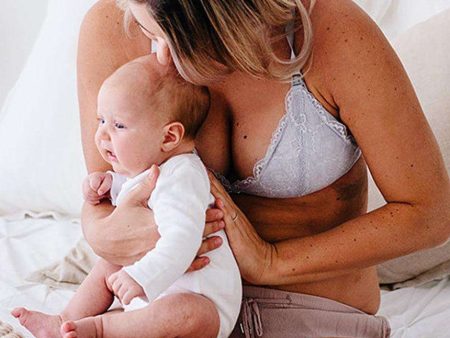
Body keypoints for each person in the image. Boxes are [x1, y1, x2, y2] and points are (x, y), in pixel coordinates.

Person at [74, 0, 450, 337]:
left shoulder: (331, 31)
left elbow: (430, 214)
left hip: (312, 313)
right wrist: (102, 233)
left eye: (182, 38)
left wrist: (271, 262)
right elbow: (104, 198)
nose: (164, 59)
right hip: (162, 313)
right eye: (149, 34)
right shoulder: (111, 24)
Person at [12, 57, 242, 338]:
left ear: (169, 137)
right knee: (112, 259)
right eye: (101, 120)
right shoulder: (147, 170)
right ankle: (66, 319)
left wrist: (141, 276)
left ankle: (98, 330)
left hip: (203, 304)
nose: (102, 134)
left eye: (118, 125)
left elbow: (183, 239)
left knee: (187, 311)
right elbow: (130, 197)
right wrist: (105, 187)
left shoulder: (184, 177)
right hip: (151, 294)